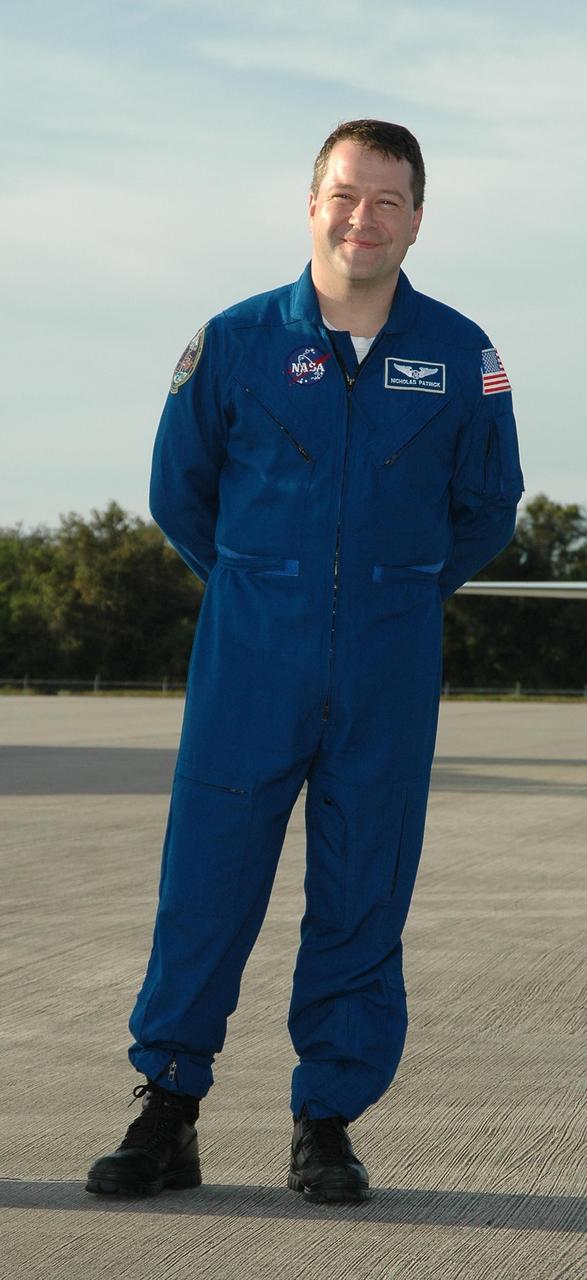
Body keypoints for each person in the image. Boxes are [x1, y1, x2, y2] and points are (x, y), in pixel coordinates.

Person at [86, 119, 524, 1204]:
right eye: (343, 194)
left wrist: (394, 591)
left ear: (415, 217)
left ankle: (324, 1119)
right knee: (208, 880)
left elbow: (486, 506)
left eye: (385, 200)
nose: (360, 217)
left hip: (386, 661)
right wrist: (260, 583)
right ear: (309, 202)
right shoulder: (233, 342)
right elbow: (178, 492)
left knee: (362, 888)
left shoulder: (461, 354)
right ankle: (168, 1108)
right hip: (251, 657)